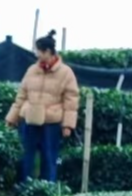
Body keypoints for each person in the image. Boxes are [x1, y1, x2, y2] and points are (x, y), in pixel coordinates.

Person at [6, 30, 79, 184]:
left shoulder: (66, 73)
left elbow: (71, 100)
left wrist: (68, 125)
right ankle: (23, 187)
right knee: (26, 155)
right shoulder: (32, 70)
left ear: (47, 51)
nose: (36, 54)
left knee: (49, 156)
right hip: (29, 119)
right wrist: (12, 117)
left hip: (51, 122)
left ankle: (48, 189)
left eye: (38, 51)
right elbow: (21, 95)